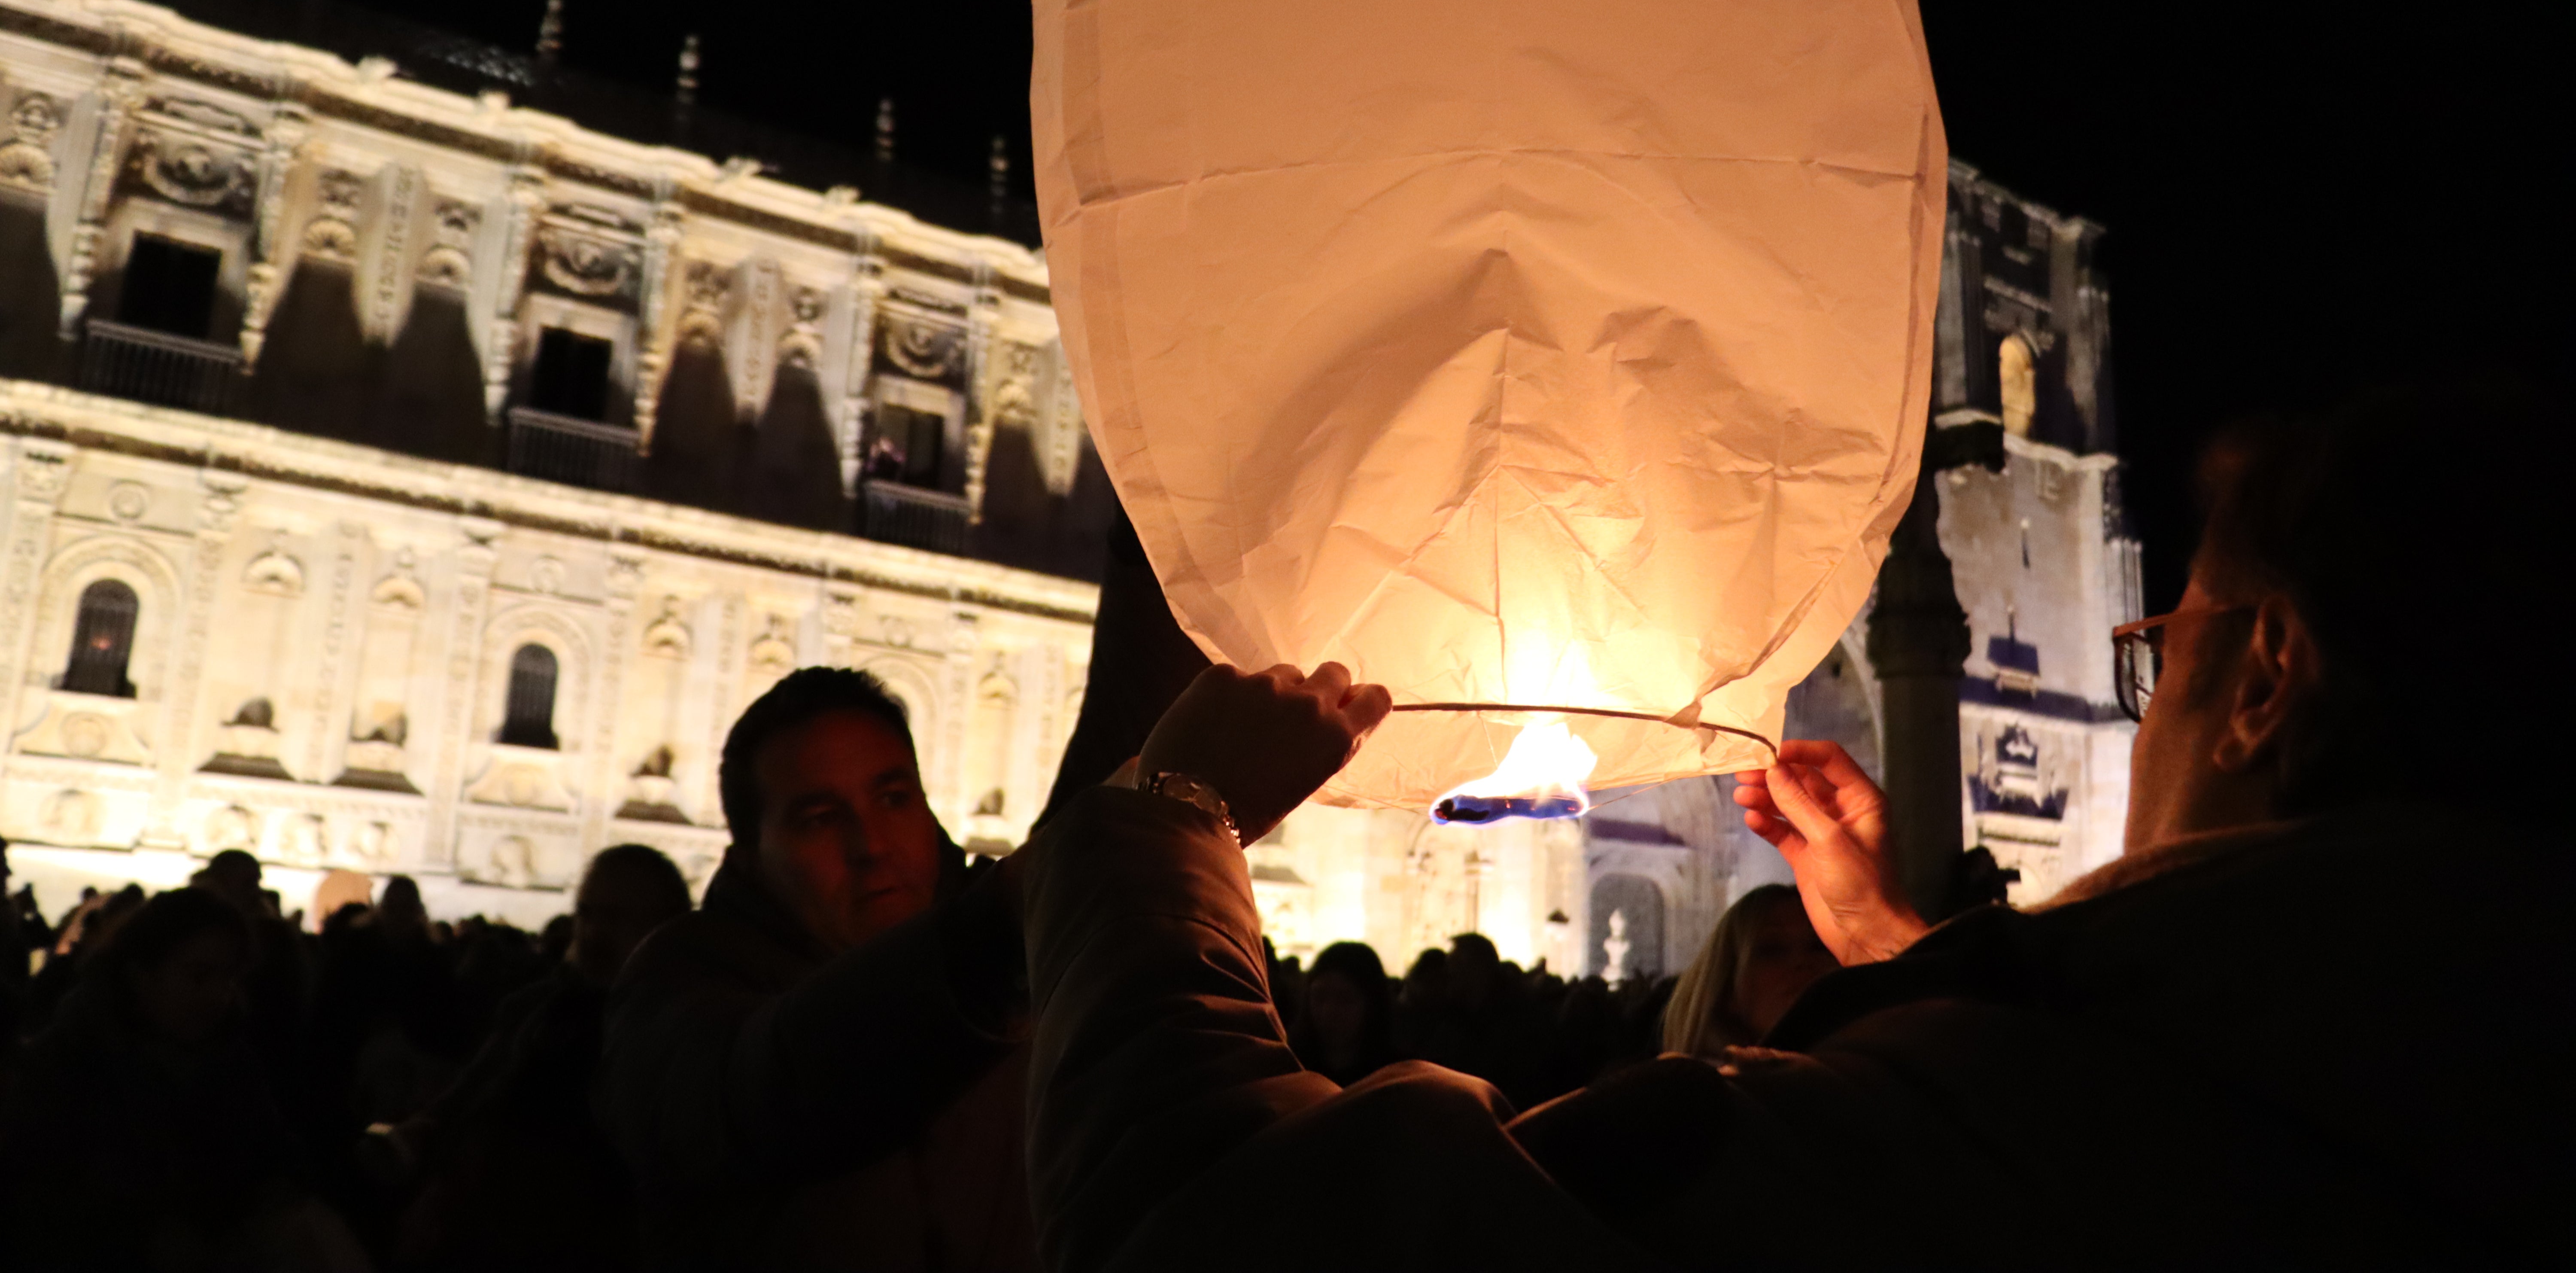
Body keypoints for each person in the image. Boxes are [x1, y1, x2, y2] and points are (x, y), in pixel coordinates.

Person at [1020, 386, 2573, 1267]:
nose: (2149, 685)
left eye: (2164, 640)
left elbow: (1208, 1234)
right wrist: (1917, 959)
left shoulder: (1943, 1138)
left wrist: (1163, 814)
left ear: (2265, 679)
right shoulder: (2458, 1053)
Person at [596, 667, 1035, 1271]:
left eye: (893, 799)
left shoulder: (1016, 965)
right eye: (821, 818)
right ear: (750, 858)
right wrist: (992, 937)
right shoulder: (679, 982)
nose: (872, 845)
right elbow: (775, 1088)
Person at [0, 887, 366, 1270]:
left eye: (228, 978)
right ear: (142, 972)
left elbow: (275, 1158)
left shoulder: (228, 1057)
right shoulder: (65, 1063)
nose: (218, 996)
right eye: (199, 975)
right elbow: (42, 1204)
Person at [386, 844, 693, 1271]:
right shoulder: (534, 1011)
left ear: (666, 928)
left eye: (617, 917)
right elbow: (466, 1101)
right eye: (586, 913)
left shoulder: (681, 1037)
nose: (594, 932)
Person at [1658, 882, 1835, 1059]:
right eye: (1772, 950)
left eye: (1820, 945)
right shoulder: (1692, 1082)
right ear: (1728, 988)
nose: (1802, 962)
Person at [1285, 940, 1397, 1085]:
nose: (1328, 1011)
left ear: (1373, 1004)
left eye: (1345, 999)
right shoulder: (1288, 1064)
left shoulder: (1394, 1076)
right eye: (1320, 996)